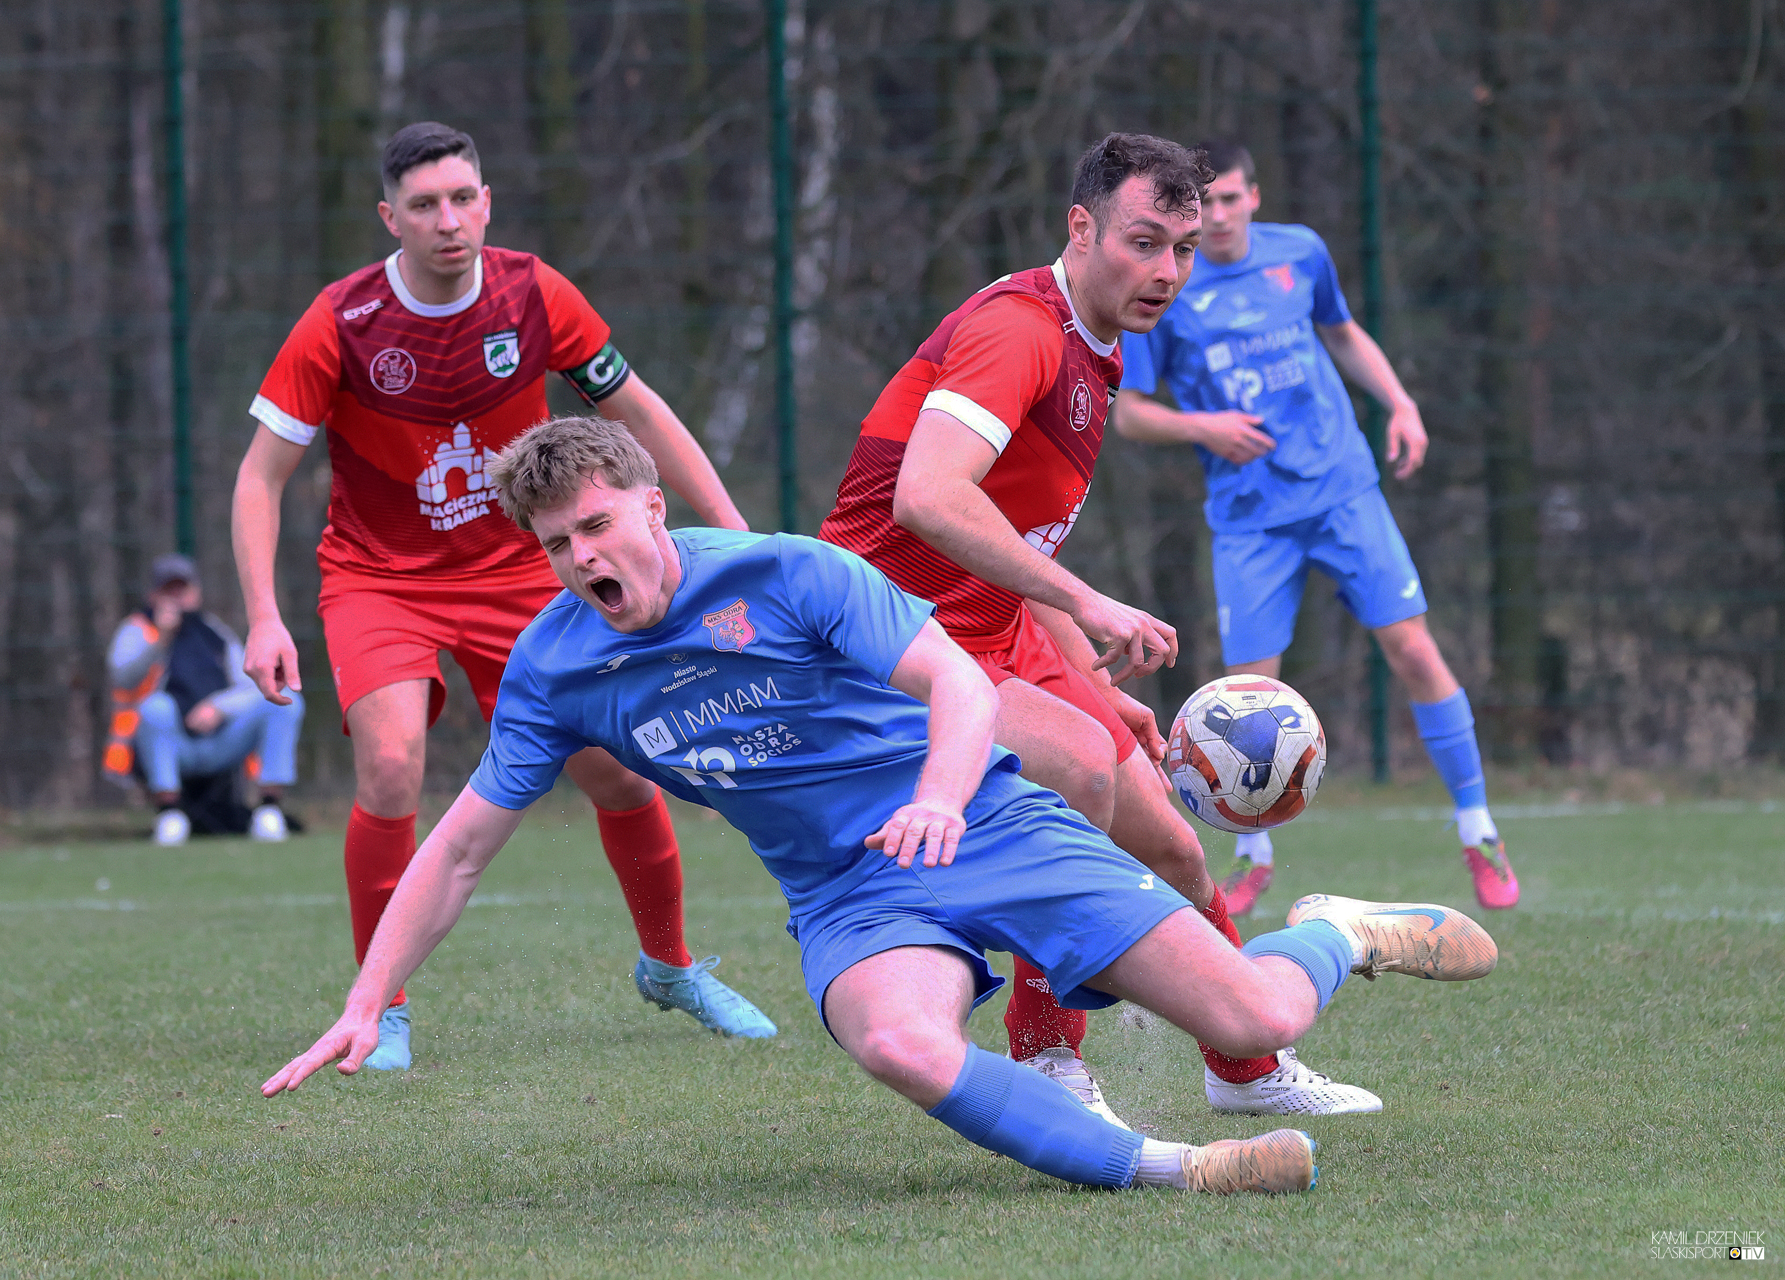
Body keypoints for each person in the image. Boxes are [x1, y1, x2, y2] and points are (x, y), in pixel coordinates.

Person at [262, 418, 1501, 1198]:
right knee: (899, 1041)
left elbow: (959, 683)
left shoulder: (788, 571)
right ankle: (1180, 1166)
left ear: (651, 509)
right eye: (554, 544)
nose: (583, 559)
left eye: (596, 526)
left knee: (1260, 1010)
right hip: (851, 896)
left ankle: (1335, 927)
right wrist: (370, 997)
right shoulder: (557, 664)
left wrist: (941, 798)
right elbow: (460, 846)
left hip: (988, 823)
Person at [818, 133, 1379, 1119]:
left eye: (1184, 248)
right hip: (889, 637)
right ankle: (1046, 1055)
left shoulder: (1100, 342)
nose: (1168, 271)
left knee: (1173, 846)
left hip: (992, 625)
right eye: (1144, 241)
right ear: (1081, 227)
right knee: (1079, 768)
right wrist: (1089, 602)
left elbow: (1010, 532)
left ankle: (1245, 1070)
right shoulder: (1019, 330)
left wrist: (1086, 669)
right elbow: (929, 496)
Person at [231, 121, 775, 1072]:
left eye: (463, 198)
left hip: (525, 571)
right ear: (389, 217)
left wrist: (732, 530)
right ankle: (381, 1009)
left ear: (486, 202)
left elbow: (638, 411)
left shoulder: (533, 293)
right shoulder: (343, 320)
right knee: (390, 765)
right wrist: (264, 616)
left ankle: (671, 966)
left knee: (617, 768)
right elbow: (258, 475)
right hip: (379, 577)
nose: (449, 221)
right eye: (425, 205)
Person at [1112, 139, 1518, 917]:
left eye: (1231, 199)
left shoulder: (1300, 253)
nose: (1218, 216)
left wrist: (1400, 403)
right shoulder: (1168, 283)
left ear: (1255, 197)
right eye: (1204, 205)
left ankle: (1479, 828)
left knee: (1413, 649)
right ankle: (1253, 854)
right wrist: (1204, 427)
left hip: (1341, 491)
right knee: (1249, 699)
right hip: (1250, 521)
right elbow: (1130, 414)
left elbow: (1344, 333)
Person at [103, 554, 305, 846]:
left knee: (284, 700)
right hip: (168, 743)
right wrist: (161, 639)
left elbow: (250, 686)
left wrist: (219, 707)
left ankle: (269, 811)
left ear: (195, 592)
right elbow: (123, 677)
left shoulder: (214, 631)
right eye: (168, 590)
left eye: (182, 588)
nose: (177, 597)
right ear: (153, 595)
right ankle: (169, 814)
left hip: (221, 739)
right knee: (157, 708)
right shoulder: (137, 630)